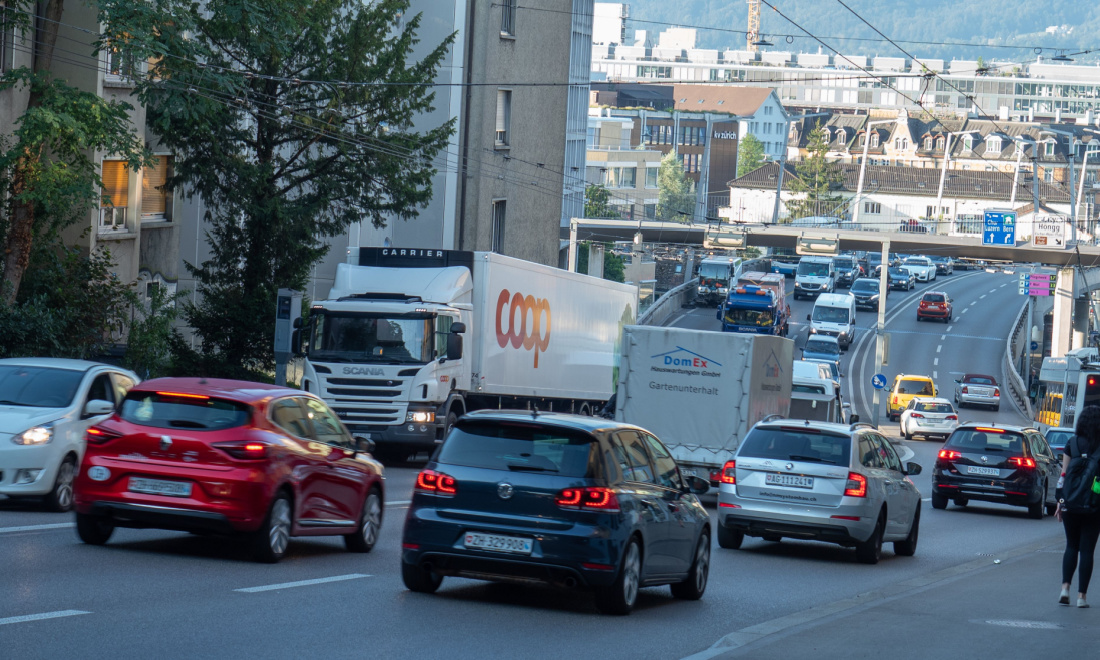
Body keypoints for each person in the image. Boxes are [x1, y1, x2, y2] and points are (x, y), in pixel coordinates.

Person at [1056, 405, 1100, 608]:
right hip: (1094, 506)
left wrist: (1060, 502)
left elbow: (1063, 476)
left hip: (1071, 505)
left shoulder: (1071, 444)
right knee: (1087, 551)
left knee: (1071, 546)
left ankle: (1065, 588)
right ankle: (1081, 597)